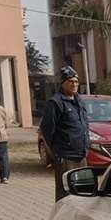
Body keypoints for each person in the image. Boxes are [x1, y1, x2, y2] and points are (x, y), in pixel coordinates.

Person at [40, 66, 90, 201]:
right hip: (66, 156)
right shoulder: (56, 102)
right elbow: (46, 129)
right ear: (63, 84)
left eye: (76, 82)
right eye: (70, 81)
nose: (74, 84)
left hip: (82, 155)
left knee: (83, 191)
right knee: (66, 193)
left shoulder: (79, 101)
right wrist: (56, 150)